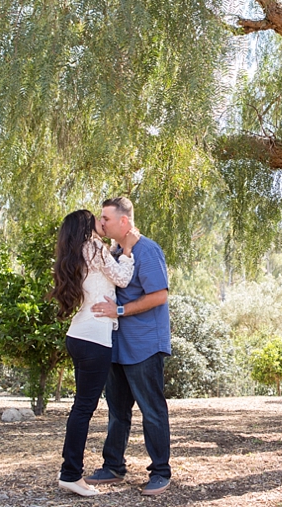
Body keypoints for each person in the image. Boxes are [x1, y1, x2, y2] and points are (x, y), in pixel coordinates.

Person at [85, 196, 172, 497]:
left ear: (124, 221)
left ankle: (160, 472)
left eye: (106, 218)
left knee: (152, 410)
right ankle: (113, 467)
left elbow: (159, 296)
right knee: (116, 411)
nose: (102, 223)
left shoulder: (147, 250)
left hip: (144, 344)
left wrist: (119, 311)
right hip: (117, 345)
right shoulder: (114, 251)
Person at [49, 209, 140, 497]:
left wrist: (115, 251)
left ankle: (70, 472)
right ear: (86, 226)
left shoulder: (78, 252)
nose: (101, 223)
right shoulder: (94, 247)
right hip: (94, 340)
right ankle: (70, 474)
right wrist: (126, 250)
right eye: (95, 219)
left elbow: (102, 277)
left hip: (78, 336)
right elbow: (122, 278)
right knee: (84, 408)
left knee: (81, 407)